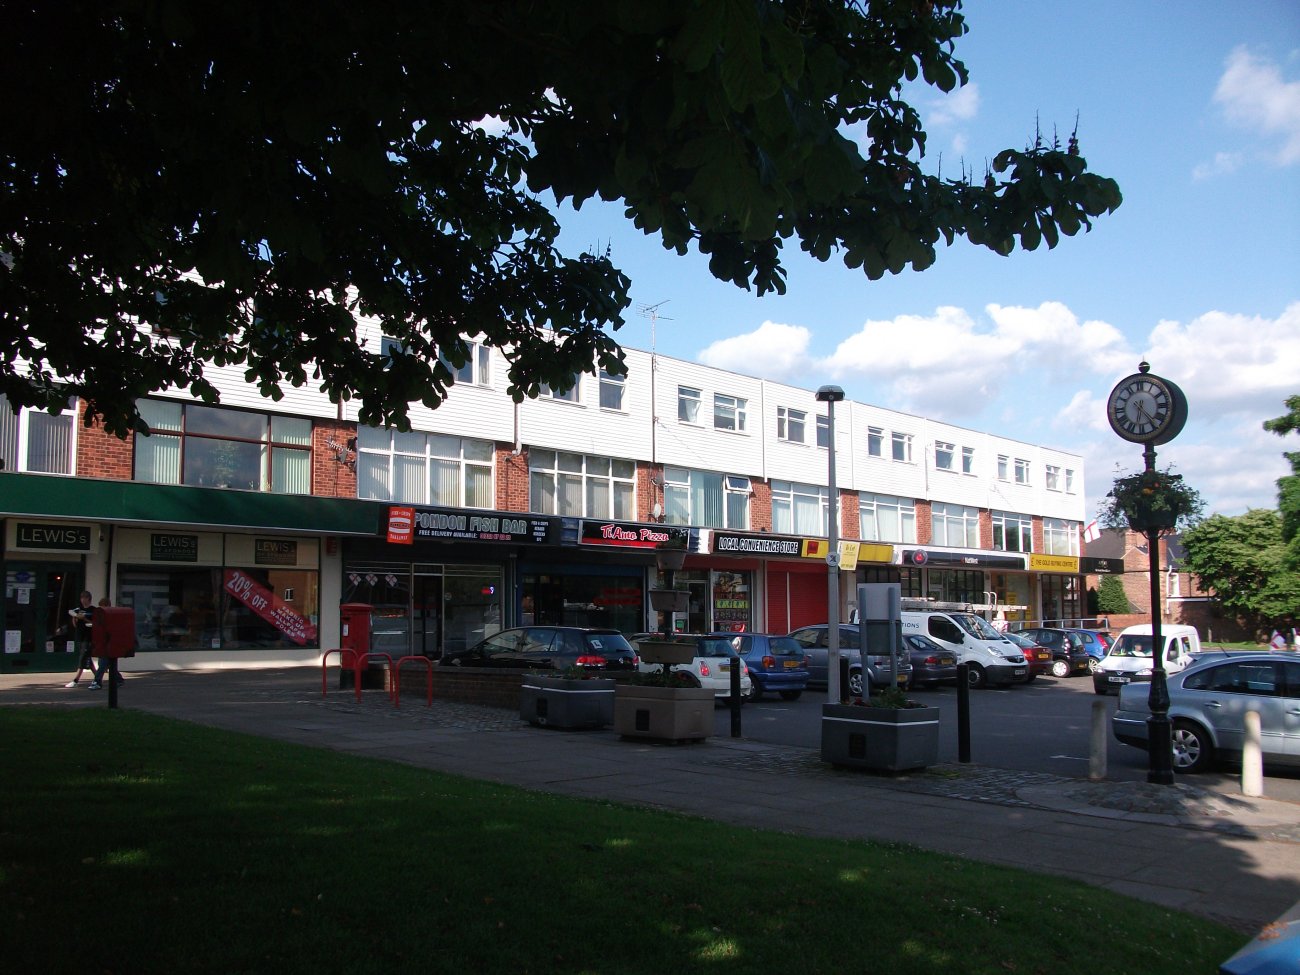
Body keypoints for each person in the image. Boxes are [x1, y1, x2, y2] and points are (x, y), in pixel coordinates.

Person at [88, 597, 124, 690]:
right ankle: (119, 679)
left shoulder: (110, 615)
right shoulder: (104, 615)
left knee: (103, 663)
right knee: (107, 664)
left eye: (102, 607)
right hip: (105, 643)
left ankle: (97, 681)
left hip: (108, 643)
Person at [62, 591, 95, 687]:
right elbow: (72, 616)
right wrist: (75, 617)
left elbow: (95, 624)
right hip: (81, 636)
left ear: (89, 599)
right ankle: (98, 677)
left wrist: (84, 619)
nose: (83, 600)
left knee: (83, 657)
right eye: (82, 598)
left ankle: (76, 680)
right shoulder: (78, 609)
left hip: (89, 637)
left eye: (85, 598)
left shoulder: (93, 610)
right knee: (87, 657)